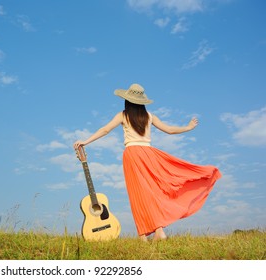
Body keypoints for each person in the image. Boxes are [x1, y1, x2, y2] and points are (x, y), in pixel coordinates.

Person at [73, 83, 221, 241]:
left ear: (127, 100)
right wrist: (188, 127)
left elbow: (105, 129)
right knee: (151, 192)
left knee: (137, 194)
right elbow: (170, 130)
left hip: (133, 154)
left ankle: (150, 233)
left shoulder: (123, 115)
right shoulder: (149, 116)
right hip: (149, 154)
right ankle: (151, 232)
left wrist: (86, 141)